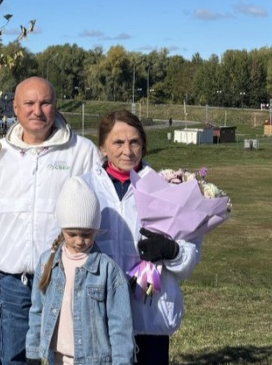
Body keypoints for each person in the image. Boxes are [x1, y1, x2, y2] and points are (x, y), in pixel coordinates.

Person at [0, 76, 102, 365]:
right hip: (14, 285)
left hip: (66, 280)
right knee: (14, 360)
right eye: (29, 103)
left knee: (69, 359)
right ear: (15, 108)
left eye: (45, 103)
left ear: (56, 106)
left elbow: (103, 207)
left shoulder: (81, 152)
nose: (38, 110)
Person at [79, 109, 201, 364]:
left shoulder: (166, 187)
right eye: (118, 142)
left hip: (149, 314)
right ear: (102, 147)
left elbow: (189, 257)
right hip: (103, 313)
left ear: (143, 145)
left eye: (134, 142)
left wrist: (172, 251)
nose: (128, 150)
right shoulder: (84, 187)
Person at [26, 176, 134, 364]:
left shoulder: (108, 271)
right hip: (56, 359)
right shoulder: (47, 263)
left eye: (86, 234)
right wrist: (33, 352)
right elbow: (37, 310)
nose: (79, 241)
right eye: (72, 234)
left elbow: (120, 327)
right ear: (62, 229)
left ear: (96, 229)